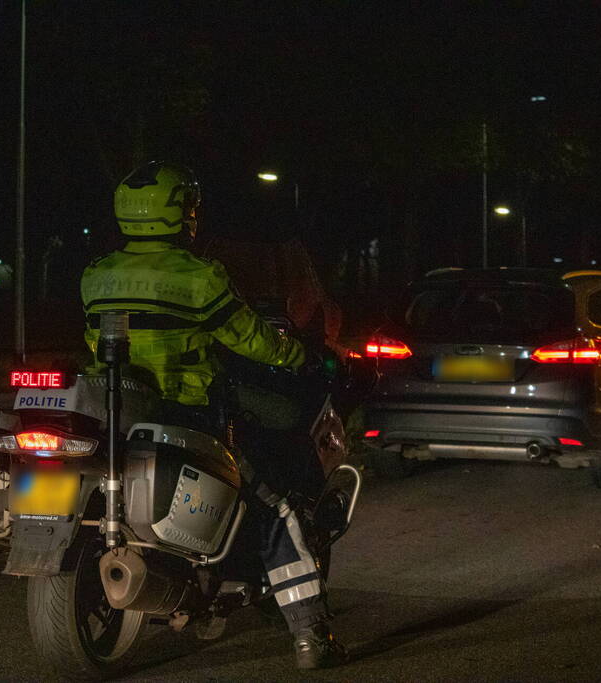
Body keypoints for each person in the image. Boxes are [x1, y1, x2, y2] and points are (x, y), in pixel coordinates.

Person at [80, 161, 348, 670]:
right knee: (274, 508)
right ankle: (311, 636)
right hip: (189, 411)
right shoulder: (199, 276)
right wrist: (299, 357)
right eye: (191, 207)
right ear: (181, 215)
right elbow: (251, 339)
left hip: (117, 412)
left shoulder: (97, 274)